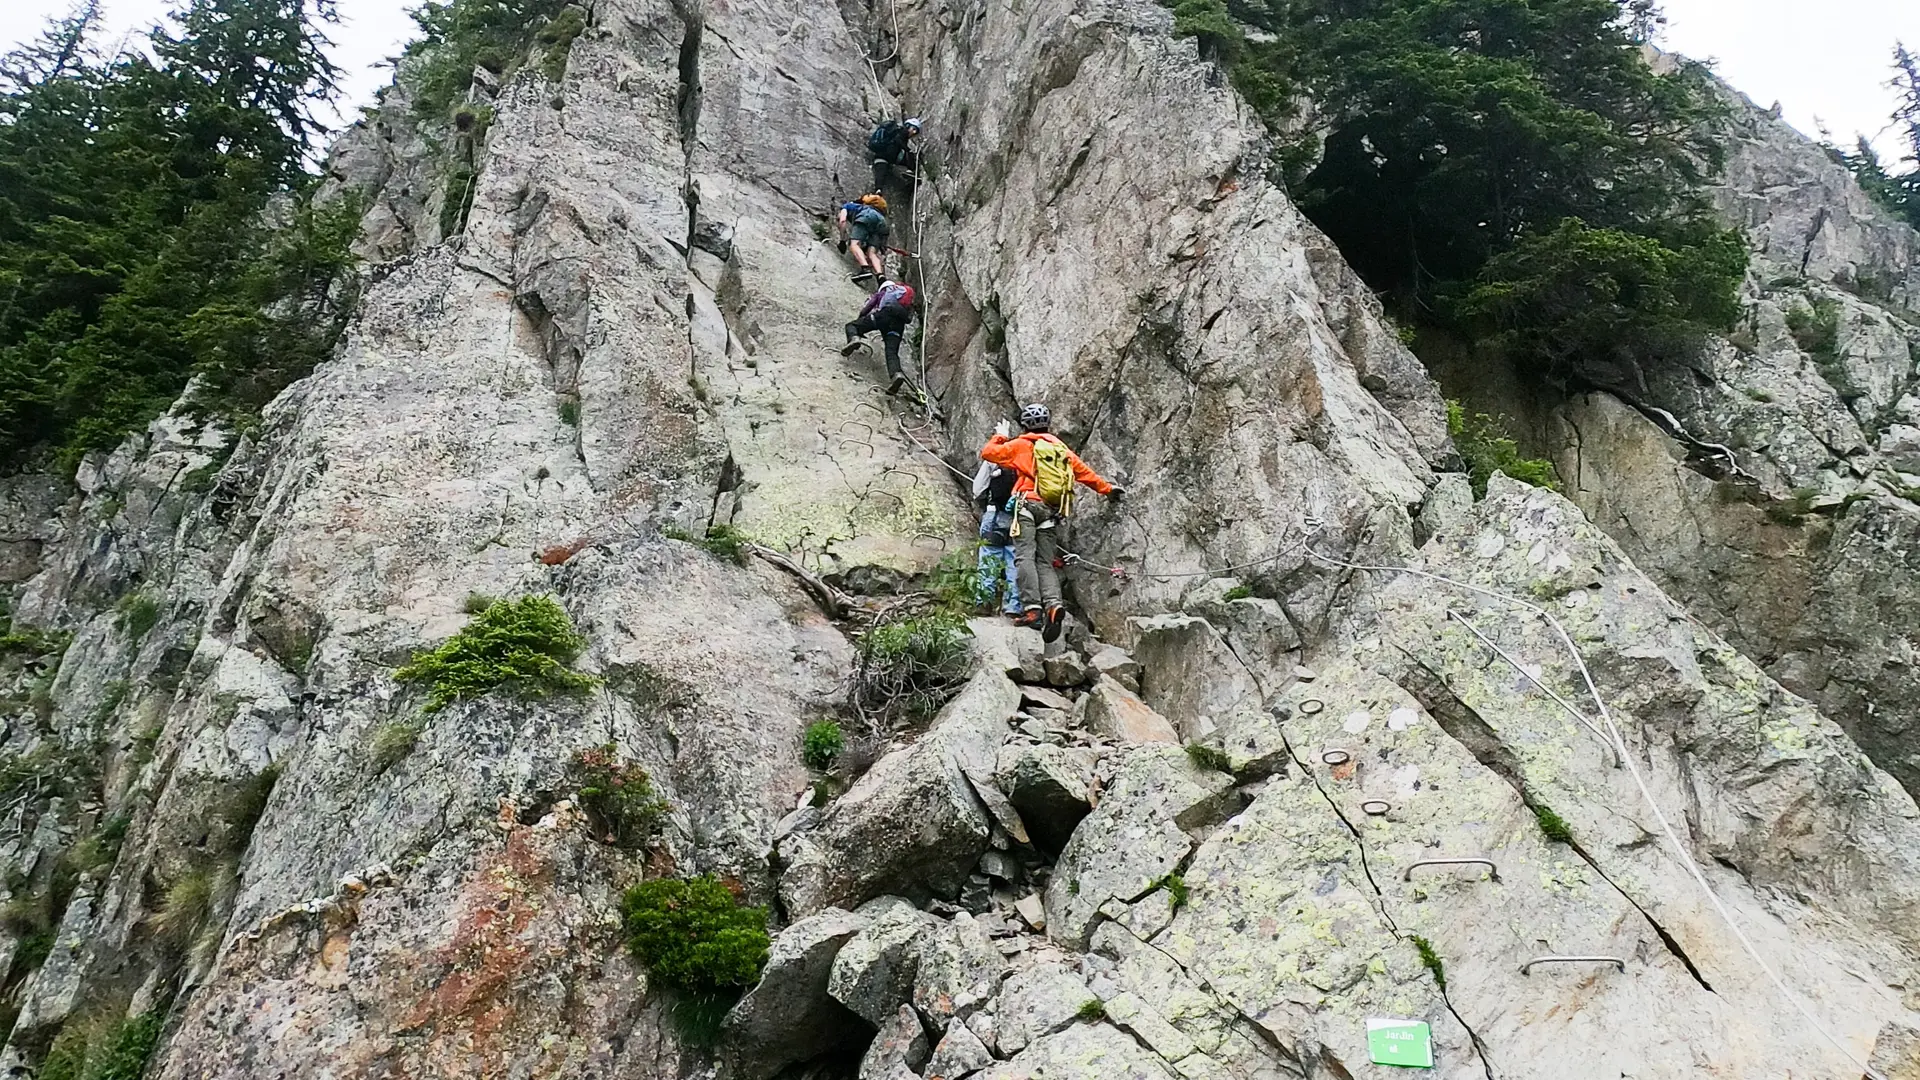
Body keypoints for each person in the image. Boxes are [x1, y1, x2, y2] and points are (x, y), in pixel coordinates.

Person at [979, 403, 1123, 641]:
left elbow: (988, 453)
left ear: (1025, 425)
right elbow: (1084, 473)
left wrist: (1001, 436)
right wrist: (1107, 489)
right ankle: (1054, 605)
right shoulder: (1060, 448)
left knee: (1024, 556)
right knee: (1044, 563)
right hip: (1051, 511)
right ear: (1048, 424)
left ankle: (1032, 610)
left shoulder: (1020, 445)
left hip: (1026, 505)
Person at [840, 278, 916, 394]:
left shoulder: (882, 293)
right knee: (891, 352)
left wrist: (861, 320)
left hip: (884, 315)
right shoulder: (906, 299)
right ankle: (897, 374)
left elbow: (868, 307)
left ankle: (854, 338)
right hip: (898, 325)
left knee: (851, 326)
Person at [971, 459, 1020, 617]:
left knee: (989, 558)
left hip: (994, 515)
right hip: (1018, 517)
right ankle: (1014, 607)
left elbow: (978, 490)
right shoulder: (1025, 459)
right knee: (1014, 561)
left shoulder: (993, 460)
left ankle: (984, 602)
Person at [836, 194, 890, 283]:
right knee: (872, 253)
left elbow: (842, 221)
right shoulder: (877, 212)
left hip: (867, 216)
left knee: (854, 245)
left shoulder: (847, 206)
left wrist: (842, 241)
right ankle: (880, 276)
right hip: (882, 223)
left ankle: (865, 269)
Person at [867, 117, 922, 192]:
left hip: (881, 154)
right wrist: (908, 150)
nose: (914, 132)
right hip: (892, 154)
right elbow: (898, 140)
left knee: (881, 171)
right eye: (914, 129)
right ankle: (910, 171)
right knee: (910, 154)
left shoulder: (893, 131)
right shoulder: (903, 131)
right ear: (908, 126)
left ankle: (878, 190)